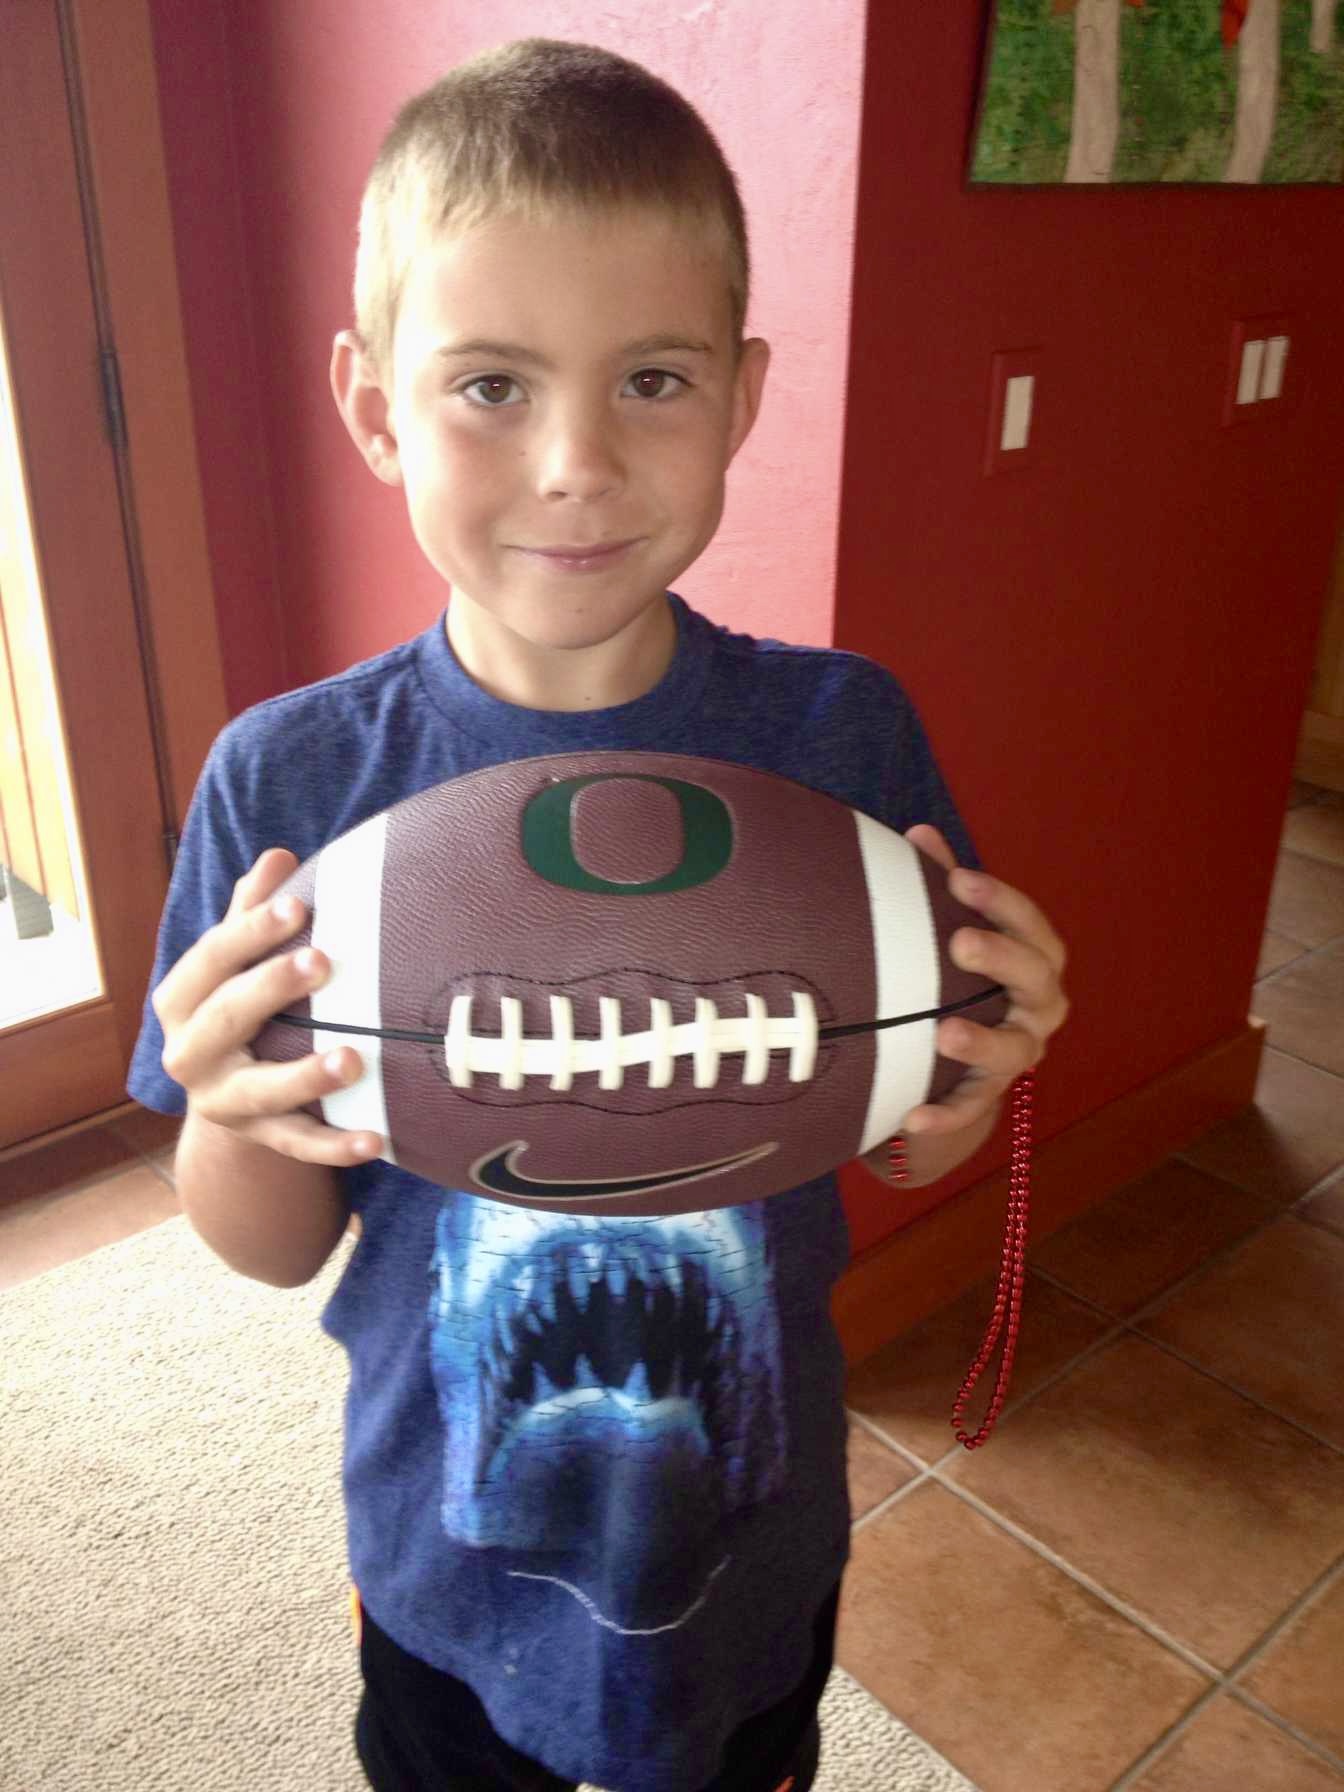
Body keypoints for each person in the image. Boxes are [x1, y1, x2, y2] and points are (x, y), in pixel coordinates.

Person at [128, 39, 1068, 1792]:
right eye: (489, 383)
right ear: (371, 403)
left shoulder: (838, 734)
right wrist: (238, 1117)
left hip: (758, 1543)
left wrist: (978, 1070)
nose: (575, 461)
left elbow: (904, 1151)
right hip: (445, 1568)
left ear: (743, 392)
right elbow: (263, 1247)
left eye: (652, 378)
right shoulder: (292, 785)